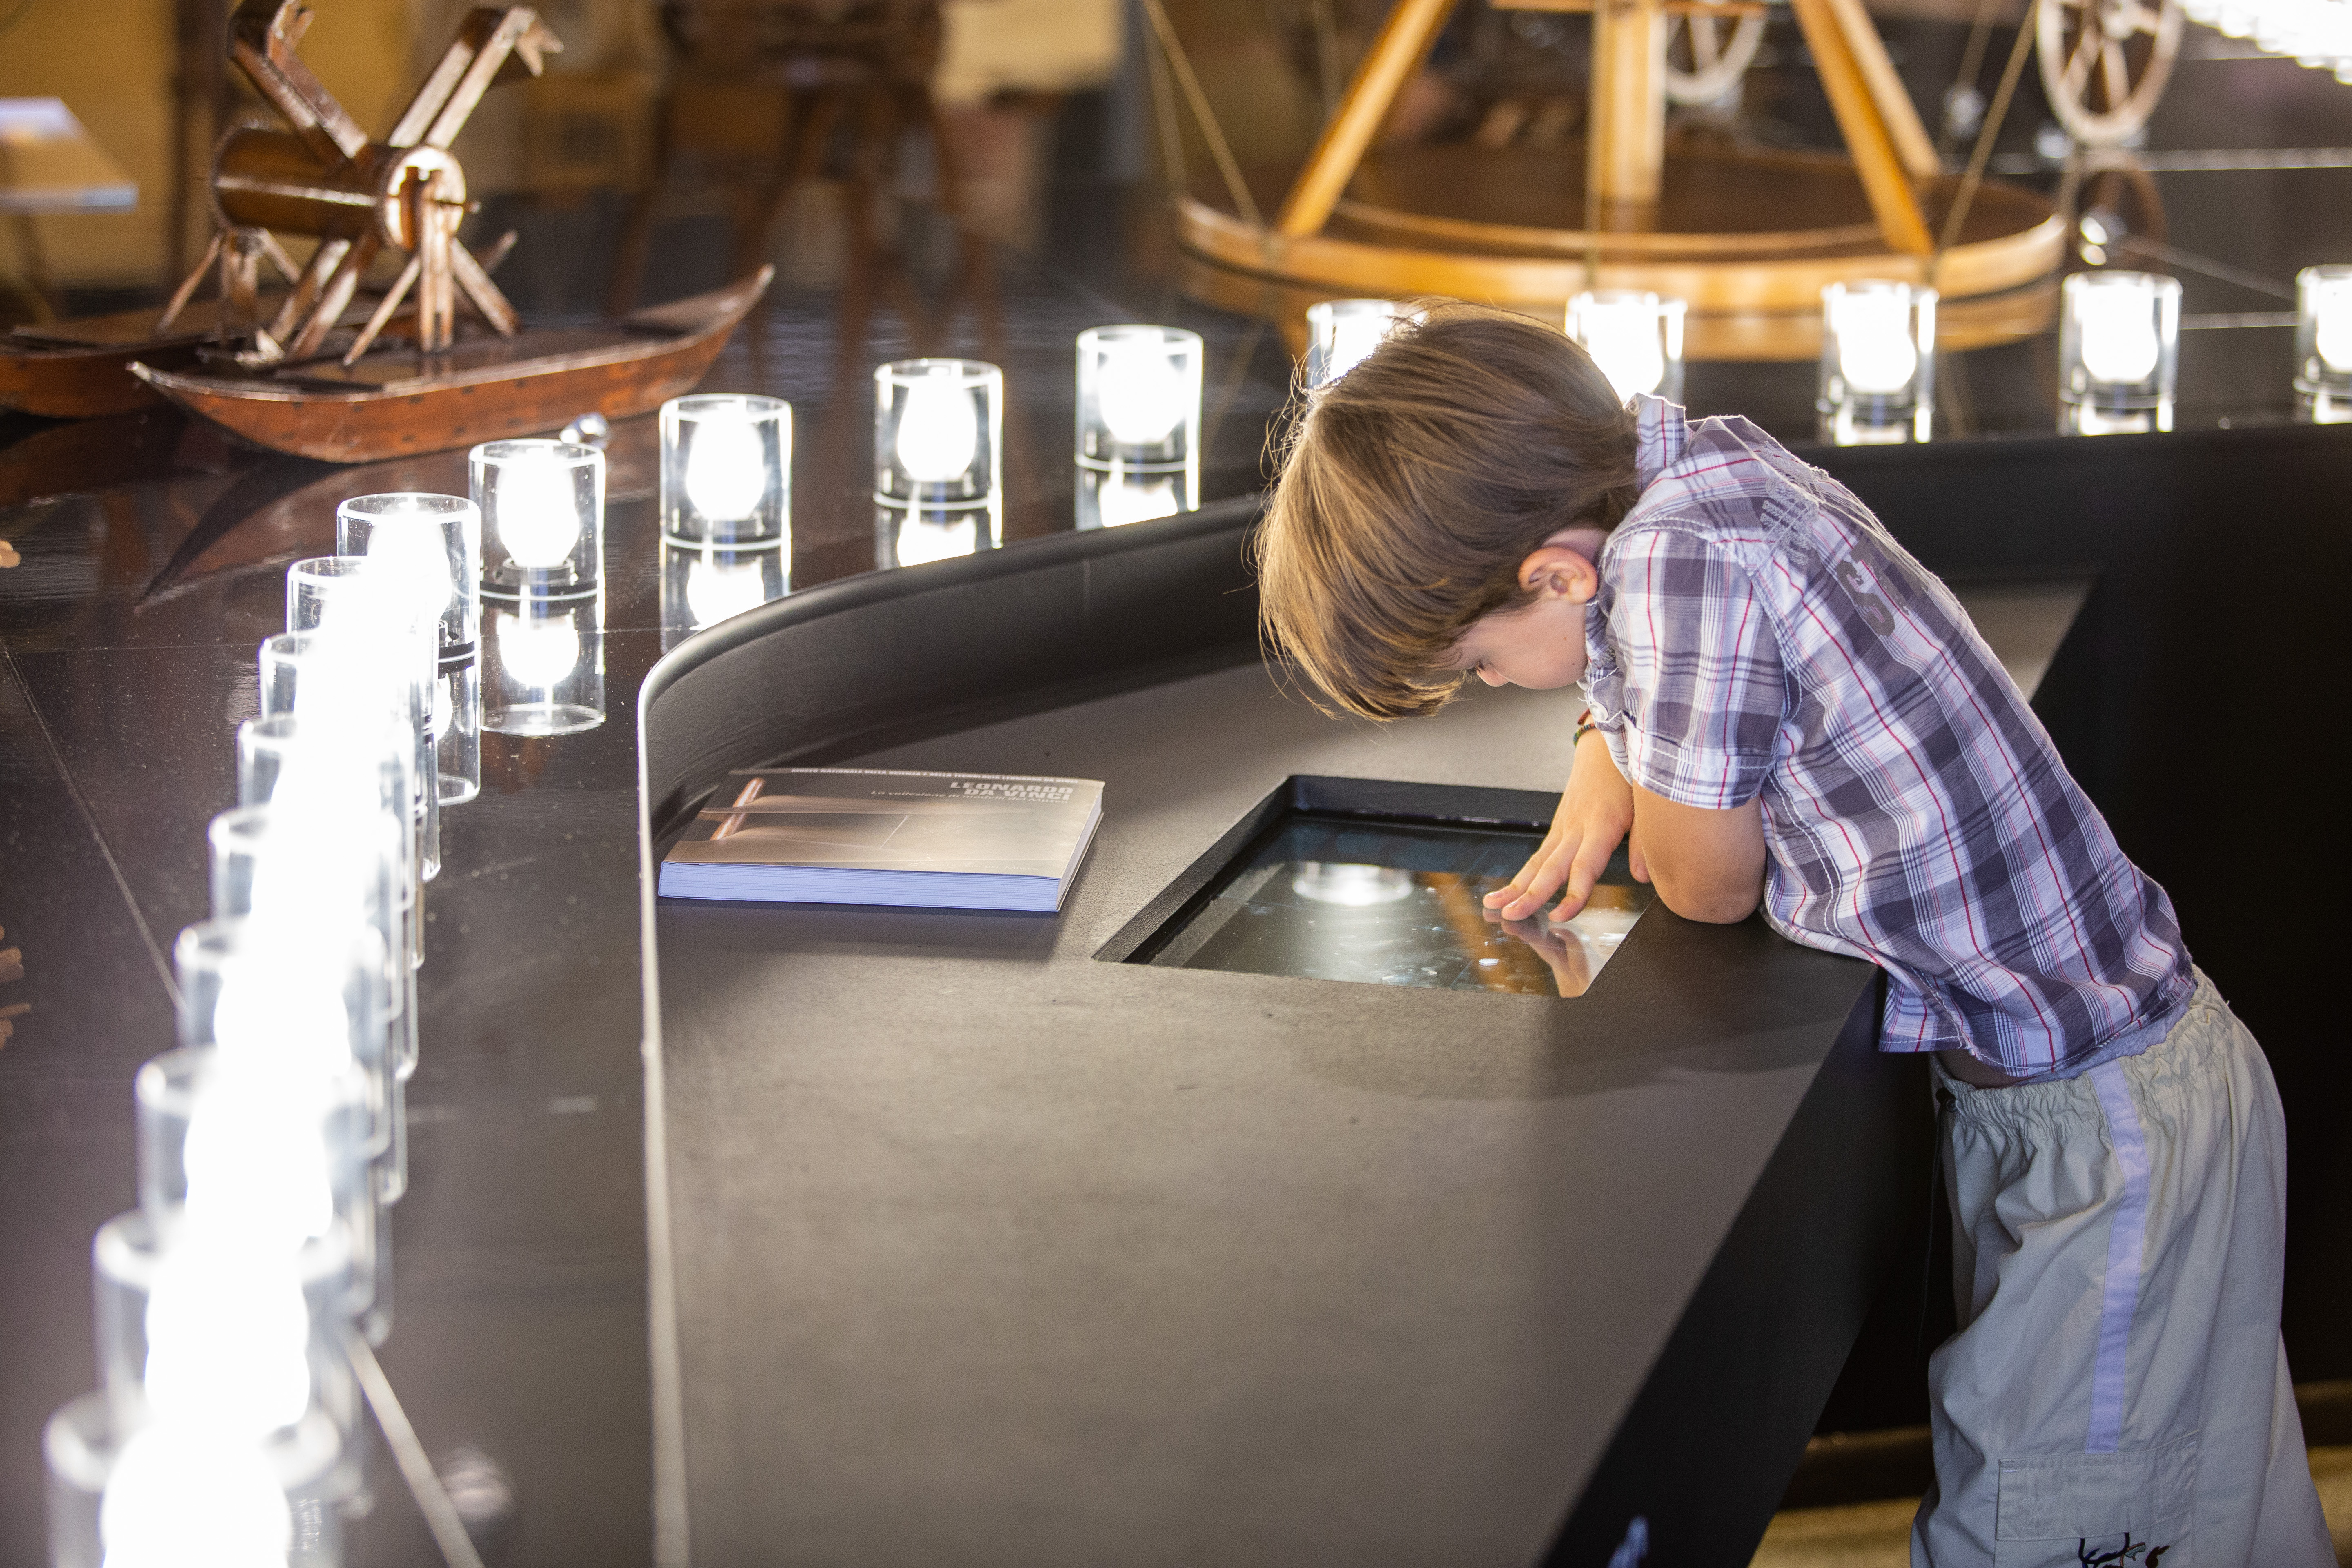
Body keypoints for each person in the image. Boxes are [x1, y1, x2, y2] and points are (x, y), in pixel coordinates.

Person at [1252, 300, 2334, 1567]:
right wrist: (1611, 740)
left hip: (2109, 1133)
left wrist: (1629, 760)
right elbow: (1659, 687)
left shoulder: (1673, 569)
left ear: (1558, 573)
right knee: (2194, 1498)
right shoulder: (1694, 461)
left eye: (1484, 664)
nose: (1495, 688)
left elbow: (1702, 881)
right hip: (2114, 1084)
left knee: (2053, 1526)